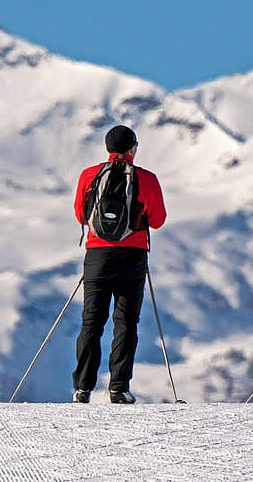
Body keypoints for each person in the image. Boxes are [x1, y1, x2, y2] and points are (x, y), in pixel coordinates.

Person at [70, 125, 167, 404]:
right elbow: (158, 220)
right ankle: (118, 388)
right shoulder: (146, 179)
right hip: (132, 256)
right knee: (125, 322)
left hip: (97, 256)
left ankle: (83, 388)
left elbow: (80, 214)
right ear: (132, 148)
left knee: (91, 321)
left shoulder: (89, 176)